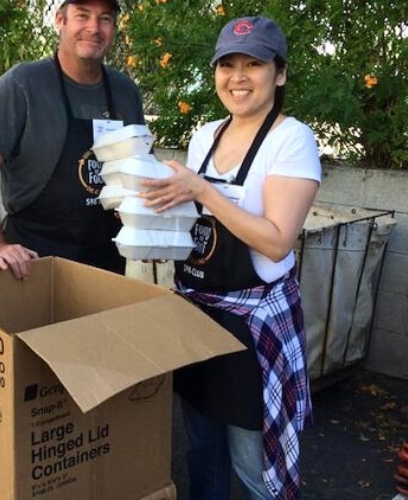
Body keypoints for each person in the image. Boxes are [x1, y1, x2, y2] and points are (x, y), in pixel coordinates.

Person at [140, 17, 320, 499]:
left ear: (279, 74)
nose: (238, 77)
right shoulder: (205, 136)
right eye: (228, 65)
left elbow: (277, 240)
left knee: (252, 464)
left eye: (254, 64)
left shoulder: (291, 140)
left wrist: (201, 188)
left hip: (252, 329)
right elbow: (193, 221)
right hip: (198, 312)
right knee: (203, 450)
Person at [0, 0, 145, 279]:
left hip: (105, 261)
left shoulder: (125, 92)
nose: (94, 28)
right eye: (82, 16)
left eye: (105, 18)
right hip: (32, 261)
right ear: (60, 20)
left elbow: (139, 171)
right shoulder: (23, 84)